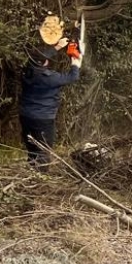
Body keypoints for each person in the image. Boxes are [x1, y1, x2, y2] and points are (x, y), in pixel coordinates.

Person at [19, 38, 81, 171]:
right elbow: (72, 77)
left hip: (25, 115)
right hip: (43, 119)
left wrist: (58, 47)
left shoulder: (27, 71)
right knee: (44, 149)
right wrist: (75, 63)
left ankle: (32, 172)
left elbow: (37, 58)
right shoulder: (49, 78)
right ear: (43, 63)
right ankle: (40, 178)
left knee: (32, 148)